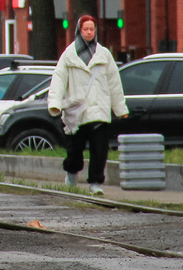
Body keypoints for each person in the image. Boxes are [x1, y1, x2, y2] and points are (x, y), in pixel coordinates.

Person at [47, 14, 128, 194]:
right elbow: (59, 80)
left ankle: (95, 183)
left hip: (99, 108)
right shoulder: (68, 55)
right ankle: (72, 174)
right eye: (86, 29)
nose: (89, 32)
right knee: (75, 149)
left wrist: (120, 108)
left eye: (92, 29)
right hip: (77, 111)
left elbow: (114, 82)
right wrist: (55, 102)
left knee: (100, 149)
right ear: (79, 31)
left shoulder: (104, 54)